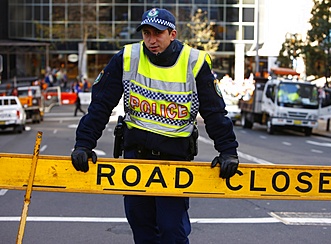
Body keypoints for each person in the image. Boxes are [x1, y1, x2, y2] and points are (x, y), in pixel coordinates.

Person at [71, 8, 239, 243]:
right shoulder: (127, 57)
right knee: (141, 226)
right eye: (146, 33)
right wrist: (83, 145)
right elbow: (100, 106)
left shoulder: (194, 62)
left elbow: (214, 112)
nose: (151, 40)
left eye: (157, 33)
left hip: (174, 160)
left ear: (172, 34)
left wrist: (228, 151)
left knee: (172, 230)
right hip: (136, 157)